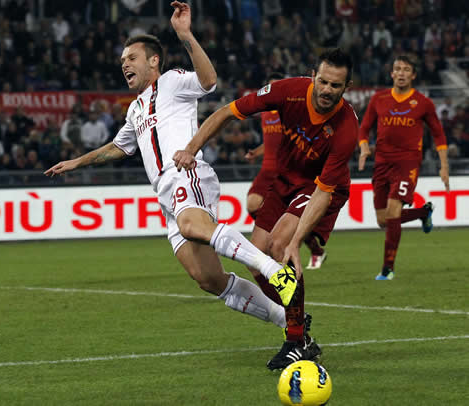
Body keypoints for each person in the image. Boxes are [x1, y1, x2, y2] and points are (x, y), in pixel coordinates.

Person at [46, 1, 302, 348]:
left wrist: (185, 35)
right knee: (208, 279)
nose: (125, 64)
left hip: (186, 173)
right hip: (165, 195)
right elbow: (118, 148)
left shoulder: (171, 82)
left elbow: (209, 81)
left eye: (131, 58)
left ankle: (274, 272)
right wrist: (76, 163)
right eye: (122, 60)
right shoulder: (135, 109)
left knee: (191, 226)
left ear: (153, 61)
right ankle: (287, 323)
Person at [173, 48, 359, 370]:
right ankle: (295, 321)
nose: (328, 90)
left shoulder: (345, 126)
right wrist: (191, 149)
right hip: (284, 180)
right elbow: (226, 112)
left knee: (280, 246)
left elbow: (324, 193)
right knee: (255, 255)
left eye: (336, 86)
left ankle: (295, 339)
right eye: (324, 82)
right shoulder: (288, 91)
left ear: (348, 87)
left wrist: (296, 242)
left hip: (318, 190)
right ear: (313, 75)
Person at [358, 55, 449, 281]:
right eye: (397, 69)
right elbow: (364, 128)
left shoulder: (423, 103)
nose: (401, 73)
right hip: (382, 164)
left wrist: (444, 166)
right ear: (391, 74)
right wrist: (363, 148)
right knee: (383, 220)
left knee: (393, 211)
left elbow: (439, 135)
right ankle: (423, 212)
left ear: (413, 75)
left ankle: (388, 268)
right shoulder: (378, 99)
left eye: (406, 69)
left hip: (407, 164)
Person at [245, 73, 328, 270]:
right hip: (267, 168)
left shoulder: (292, 110)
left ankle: (312, 249)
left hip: (286, 169)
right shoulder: (265, 112)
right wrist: (256, 152)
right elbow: (270, 140)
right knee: (252, 204)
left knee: (286, 219)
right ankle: (308, 246)